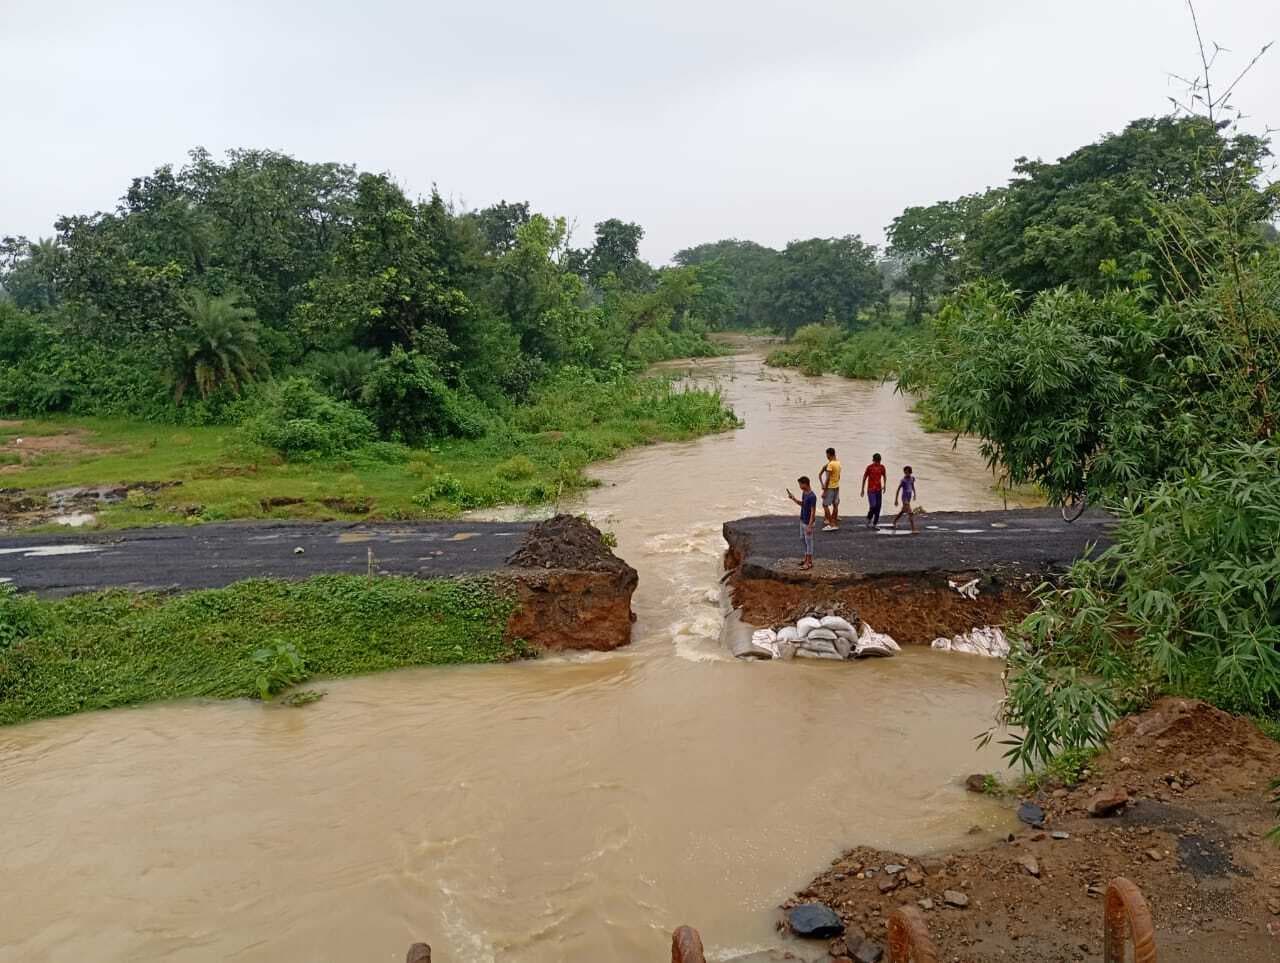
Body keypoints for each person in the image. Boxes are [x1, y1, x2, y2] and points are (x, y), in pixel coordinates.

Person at [786, 476, 818, 569]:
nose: (800, 486)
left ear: (805, 484)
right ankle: (806, 559)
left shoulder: (812, 496)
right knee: (802, 539)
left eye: (800, 484)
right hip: (802, 520)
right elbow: (803, 504)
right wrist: (793, 499)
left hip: (808, 522)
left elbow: (813, 512)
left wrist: (810, 526)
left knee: (809, 542)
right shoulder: (804, 493)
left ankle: (809, 562)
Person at [860, 452, 886, 529]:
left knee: (878, 507)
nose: (877, 463)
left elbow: (884, 476)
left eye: (879, 461)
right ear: (873, 460)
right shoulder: (869, 467)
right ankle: (869, 519)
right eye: (876, 461)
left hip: (878, 490)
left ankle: (875, 523)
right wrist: (862, 489)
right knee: (873, 506)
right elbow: (864, 477)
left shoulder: (882, 467)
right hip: (871, 490)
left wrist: (885, 485)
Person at [818, 447, 842, 531]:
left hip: (830, 487)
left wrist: (824, 491)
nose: (826, 456)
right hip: (836, 486)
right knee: (835, 505)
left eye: (826, 454)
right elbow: (839, 476)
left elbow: (827, 478)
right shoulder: (838, 463)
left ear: (828, 454)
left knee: (825, 505)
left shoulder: (830, 465)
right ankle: (833, 522)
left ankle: (831, 524)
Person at [891, 465, 918, 533]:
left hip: (909, 497)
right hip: (904, 497)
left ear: (910, 472)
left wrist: (914, 494)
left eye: (908, 472)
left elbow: (912, 486)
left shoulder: (912, 478)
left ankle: (894, 522)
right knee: (910, 512)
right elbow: (898, 489)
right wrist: (896, 500)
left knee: (903, 511)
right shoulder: (903, 480)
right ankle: (913, 529)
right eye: (905, 472)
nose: (906, 474)